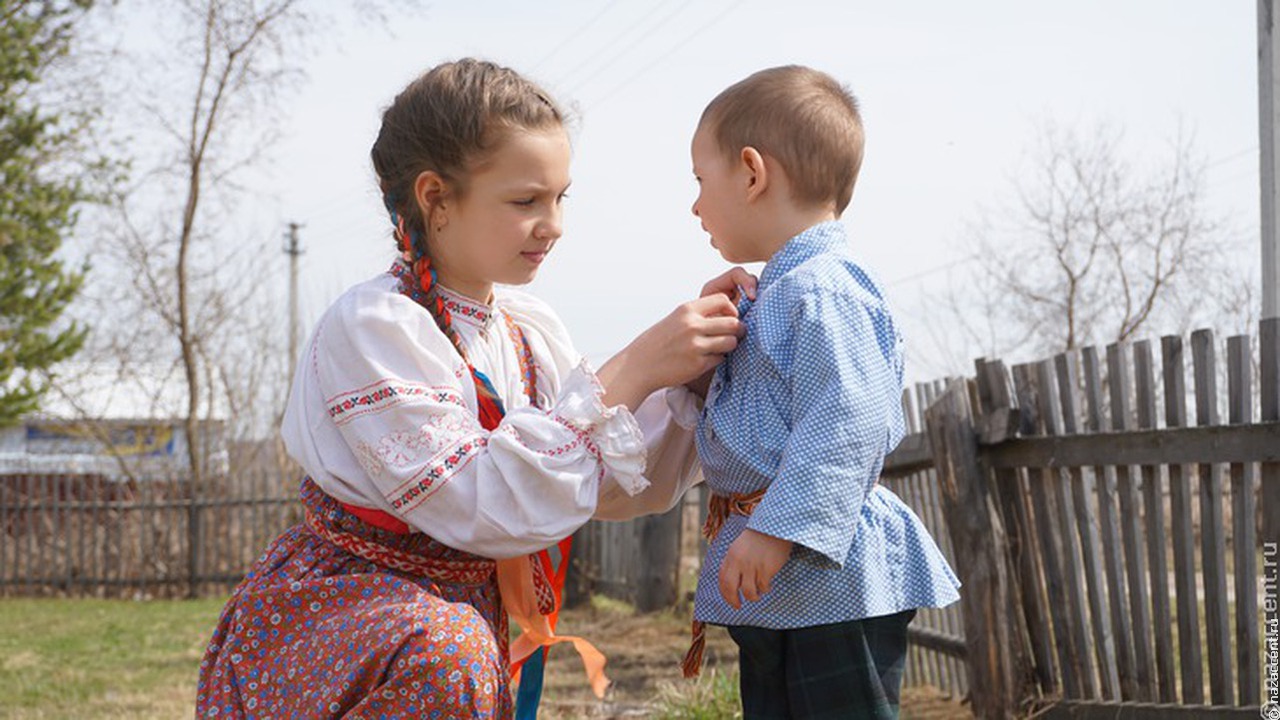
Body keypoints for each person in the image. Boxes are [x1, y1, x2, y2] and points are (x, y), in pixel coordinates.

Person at [196, 58, 749, 719]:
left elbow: (598, 482)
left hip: (447, 617)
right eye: (525, 201)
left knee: (454, 651)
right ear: (436, 198)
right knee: (450, 654)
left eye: (560, 198)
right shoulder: (376, 327)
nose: (554, 225)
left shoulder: (526, 331)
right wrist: (629, 371)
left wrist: (684, 379)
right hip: (348, 612)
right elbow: (481, 501)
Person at [682, 65, 962, 720]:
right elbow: (764, 413)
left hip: (826, 576)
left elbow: (848, 419)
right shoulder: (778, 293)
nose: (695, 205)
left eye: (700, 181)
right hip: (788, 580)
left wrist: (777, 530)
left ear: (752, 173)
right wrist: (711, 348)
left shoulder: (824, 287)